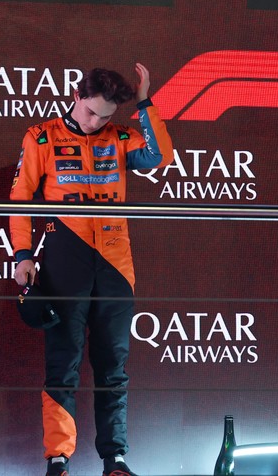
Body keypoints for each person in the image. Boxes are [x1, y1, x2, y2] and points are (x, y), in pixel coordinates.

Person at [10, 63, 173, 476]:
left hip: (117, 262)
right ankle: (58, 459)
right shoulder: (41, 137)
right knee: (63, 360)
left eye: (105, 115)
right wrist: (23, 255)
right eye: (91, 112)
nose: (96, 122)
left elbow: (159, 155)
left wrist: (144, 102)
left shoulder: (121, 137)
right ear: (76, 97)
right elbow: (19, 199)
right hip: (67, 256)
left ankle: (114, 459)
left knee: (113, 365)